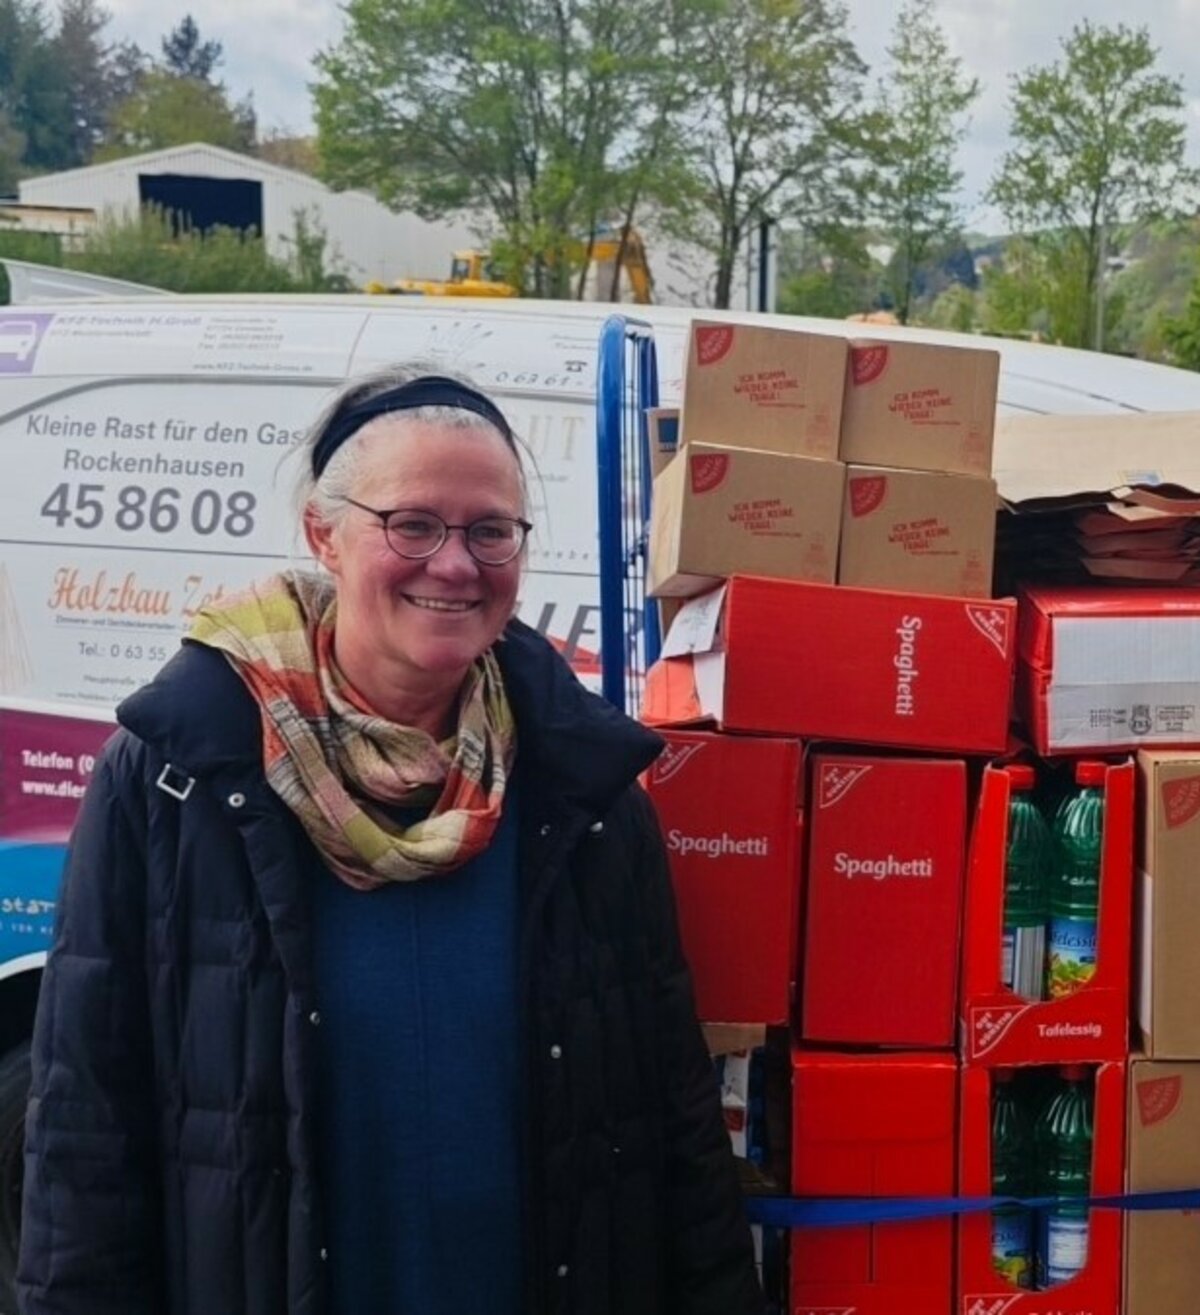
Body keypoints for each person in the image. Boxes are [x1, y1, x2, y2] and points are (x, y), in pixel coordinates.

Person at [19, 365, 763, 1314]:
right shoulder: (177, 773)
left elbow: (670, 1108)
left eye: (491, 529)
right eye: (412, 523)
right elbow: (85, 1120)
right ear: (323, 535)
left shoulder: (585, 789)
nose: (454, 563)